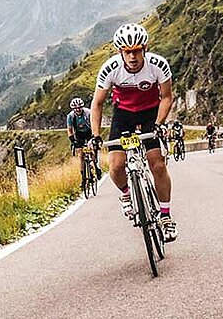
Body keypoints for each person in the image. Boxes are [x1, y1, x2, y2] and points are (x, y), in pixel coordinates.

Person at [89, 23, 177, 241]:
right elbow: (97, 104)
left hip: (150, 114)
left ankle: (165, 217)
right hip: (124, 115)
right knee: (117, 166)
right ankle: (127, 195)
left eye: (137, 50)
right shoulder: (110, 69)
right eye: (127, 52)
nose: (133, 56)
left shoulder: (158, 65)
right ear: (120, 52)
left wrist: (159, 123)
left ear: (144, 49)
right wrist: (96, 135)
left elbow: (167, 97)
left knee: (157, 164)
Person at [67, 97, 102, 182]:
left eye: (79, 107)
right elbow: (69, 129)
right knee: (81, 155)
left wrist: (94, 136)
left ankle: (96, 166)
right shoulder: (70, 116)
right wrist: (73, 141)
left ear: (82, 107)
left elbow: (94, 123)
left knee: (92, 150)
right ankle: (83, 177)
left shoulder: (88, 113)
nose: (78, 109)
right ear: (73, 109)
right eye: (76, 108)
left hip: (89, 132)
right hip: (79, 134)